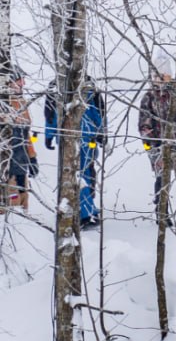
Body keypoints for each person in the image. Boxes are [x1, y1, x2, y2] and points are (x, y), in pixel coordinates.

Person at [138, 50, 176, 228]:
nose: (160, 79)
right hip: (160, 148)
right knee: (161, 182)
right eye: (157, 76)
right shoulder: (149, 97)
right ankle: (162, 215)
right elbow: (144, 124)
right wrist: (153, 145)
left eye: (164, 75)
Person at [44, 76, 106, 228]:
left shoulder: (57, 85)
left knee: (77, 174)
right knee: (84, 173)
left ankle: (86, 213)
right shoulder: (88, 84)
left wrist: (49, 135)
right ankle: (86, 210)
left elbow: (51, 116)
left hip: (70, 138)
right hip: (86, 136)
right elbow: (99, 113)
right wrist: (102, 133)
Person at [2, 67, 37, 211]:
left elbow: (26, 135)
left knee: (23, 204)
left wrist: (32, 158)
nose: (23, 83)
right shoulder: (4, 104)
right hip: (6, 166)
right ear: (9, 82)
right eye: (19, 80)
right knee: (10, 206)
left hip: (21, 164)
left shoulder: (22, 102)